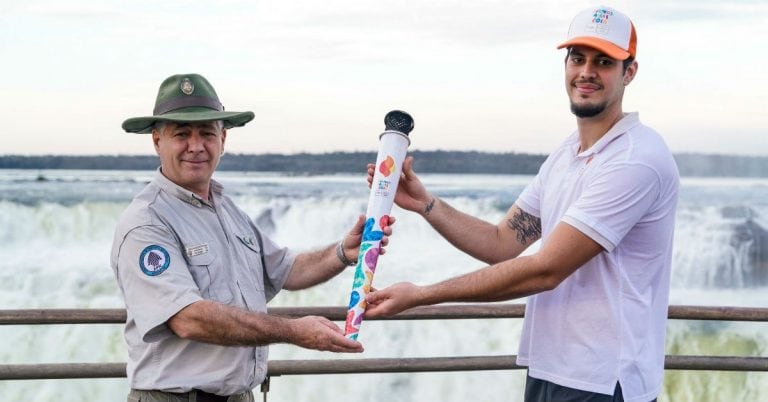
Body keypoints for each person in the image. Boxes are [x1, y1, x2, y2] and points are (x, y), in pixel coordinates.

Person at [365, 6, 678, 402]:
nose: (586, 72)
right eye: (577, 59)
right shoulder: (566, 155)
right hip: (552, 369)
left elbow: (545, 270)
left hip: (604, 381)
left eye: (604, 62)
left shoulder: (636, 158)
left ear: (629, 72)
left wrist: (421, 295)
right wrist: (426, 203)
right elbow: (501, 243)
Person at [111, 73, 392, 402]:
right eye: (182, 134)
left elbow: (287, 269)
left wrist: (343, 251)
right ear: (157, 141)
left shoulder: (227, 210)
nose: (196, 146)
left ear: (223, 140)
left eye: (207, 133)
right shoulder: (146, 221)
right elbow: (189, 318)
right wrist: (294, 331)